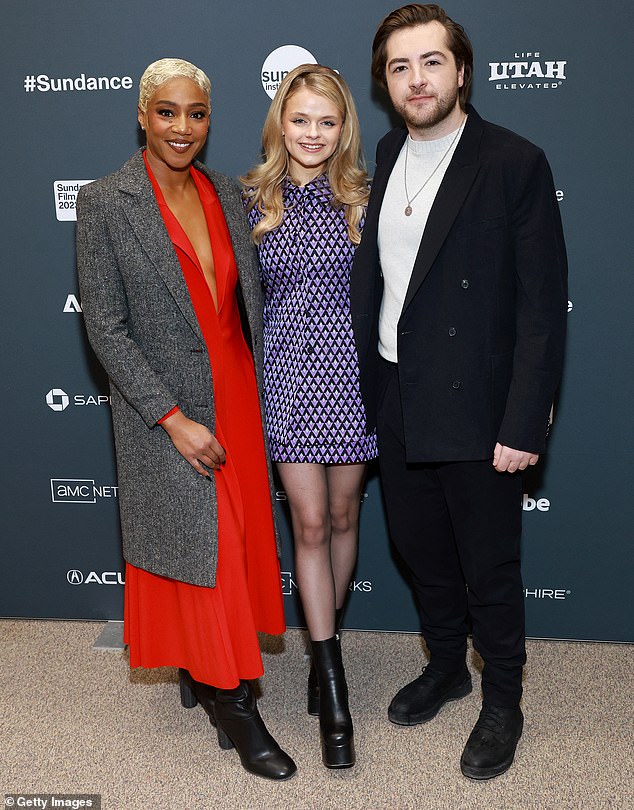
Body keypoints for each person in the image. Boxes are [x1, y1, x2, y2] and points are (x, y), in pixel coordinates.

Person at [350, 4, 567, 780]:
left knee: (490, 565)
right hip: (398, 398)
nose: (417, 79)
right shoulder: (385, 149)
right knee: (421, 554)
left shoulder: (513, 161)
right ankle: (446, 665)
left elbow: (543, 308)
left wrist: (524, 421)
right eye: (401, 66)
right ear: (386, 80)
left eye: (431, 62)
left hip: (478, 408)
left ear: (461, 70)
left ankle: (503, 698)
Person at [75, 58, 296, 781]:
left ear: (209, 119)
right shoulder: (107, 201)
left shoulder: (226, 192)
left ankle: (206, 676)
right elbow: (105, 327)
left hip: (236, 390)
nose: (181, 127)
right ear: (143, 115)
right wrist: (170, 417)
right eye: (166, 112)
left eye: (195, 113)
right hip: (165, 412)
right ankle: (234, 706)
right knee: (201, 556)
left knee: (230, 543)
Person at [242, 64, 377, 769]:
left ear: (342, 126)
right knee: (312, 521)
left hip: (354, 376)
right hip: (289, 378)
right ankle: (332, 679)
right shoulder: (251, 200)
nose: (314, 134)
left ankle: (330, 639)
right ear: (280, 124)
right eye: (301, 121)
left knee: (348, 516)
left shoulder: (364, 194)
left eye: (327, 121)